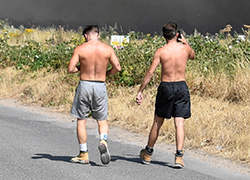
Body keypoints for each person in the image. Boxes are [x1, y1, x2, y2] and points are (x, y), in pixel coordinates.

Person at [135, 21, 196, 169]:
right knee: (179, 122)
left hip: (166, 86)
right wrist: (186, 43)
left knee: (158, 121)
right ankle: (179, 157)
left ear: (163, 36)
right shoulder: (185, 49)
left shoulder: (161, 51)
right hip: (181, 86)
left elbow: (150, 72)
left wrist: (141, 90)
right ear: (177, 34)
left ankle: (148, 153)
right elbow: (193, 56)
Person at [66, 24, 122, 165]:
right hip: (100, 85)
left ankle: (83, 153)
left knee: (81, 119)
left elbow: (70, 69)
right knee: (102, 119)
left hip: (85, 84)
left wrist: (81, 67)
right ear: (98, 35)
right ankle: (103, 140)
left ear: (86, 36)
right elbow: (118, 67)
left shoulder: (81, 49)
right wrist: (107, 73)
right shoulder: (107, 49)